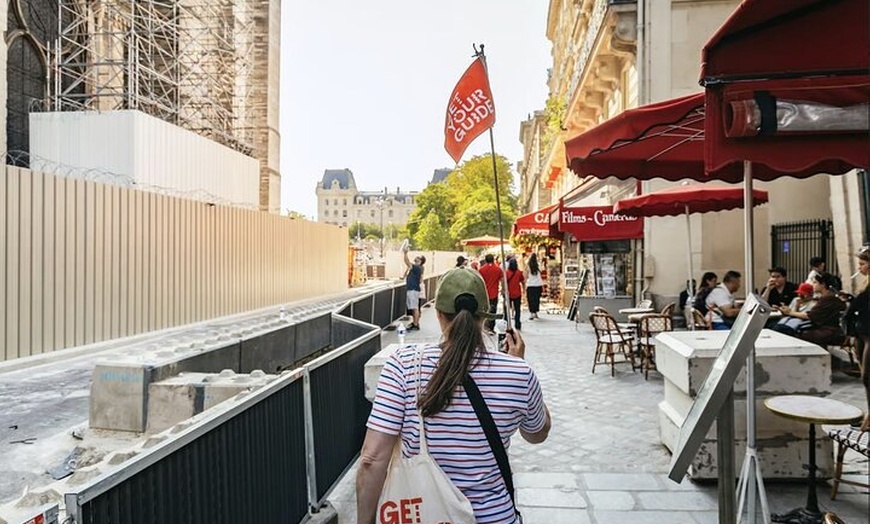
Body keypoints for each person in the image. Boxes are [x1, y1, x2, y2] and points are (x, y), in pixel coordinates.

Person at [356, 268, 551, 524]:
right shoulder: (518, 372)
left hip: (423, 514)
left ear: (438, 314)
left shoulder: (403, 365)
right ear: (484, 316)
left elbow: (372, 459)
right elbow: (536, 434)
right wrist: (518, 366)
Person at [780, 273, 845, 347]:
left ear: (823, 284)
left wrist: (790, 312)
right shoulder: (827, 298)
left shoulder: (828, 299)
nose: (812, 284)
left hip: (829, 331)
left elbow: (810, 315)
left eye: (815, 282)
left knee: (790, 332)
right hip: (827, 329)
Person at [844, 248, 870, 426]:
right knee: (866, 376)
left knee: (867, 376)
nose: (859, 267)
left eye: (862, 264)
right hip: (862, 332)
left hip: (868, 334)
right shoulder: (865, 283)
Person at [477, 254, 504, 333]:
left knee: (484, 310)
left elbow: (479, 281)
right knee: (493, 310)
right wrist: (503, 289)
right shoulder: (498, 269)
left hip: (484, 294)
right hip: (494, 293)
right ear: (493, 260)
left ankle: (485, 326)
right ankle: (491, 328)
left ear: (485, 260)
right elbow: (502, 280)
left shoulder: (481, 270)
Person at [403, 248, 423, 330]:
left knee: (414, 307)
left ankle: (415, 323)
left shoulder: (416, 267)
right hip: (414, 289)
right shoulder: (418, 268)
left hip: (413, 289)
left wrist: (405, 254)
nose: (416, 258)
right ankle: (415, 322)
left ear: (421, 261)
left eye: (419, 258)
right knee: (414, 307)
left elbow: (407, 262)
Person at [505, 258, 525, 330]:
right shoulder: (519, 272)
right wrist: (524, 290)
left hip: (509, 293)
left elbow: (504, 283)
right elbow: (522, 281)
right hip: (517, 293)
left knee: (507, 309)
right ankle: (517, 324)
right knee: (517, 310)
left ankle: (506, 323)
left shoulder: (506, 273)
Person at [524, 253, 544, 320]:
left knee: (531, 299)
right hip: (538, 285)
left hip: (530, 285)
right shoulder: (538, 265)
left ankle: (532, 313)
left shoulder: (527, 265)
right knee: (536, 299)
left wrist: (525, 284)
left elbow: (525, 276)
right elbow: (542, 271)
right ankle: (535, 312)